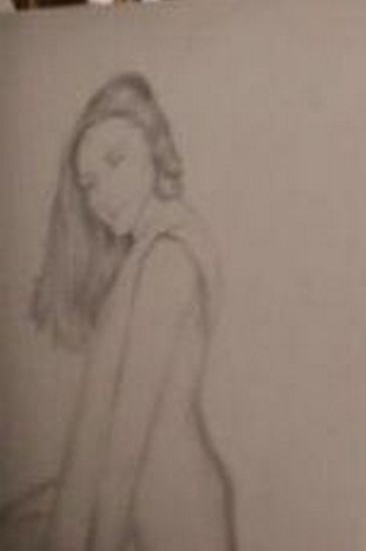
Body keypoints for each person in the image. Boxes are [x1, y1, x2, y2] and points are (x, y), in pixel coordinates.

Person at [6, 72, 236, 551]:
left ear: (154, 146)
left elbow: (124, 447)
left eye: (116, 161)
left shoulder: (168, 258)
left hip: (180, 520)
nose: (102, 195)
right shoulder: (147, 253)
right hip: (150, 514)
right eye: (89, 184)